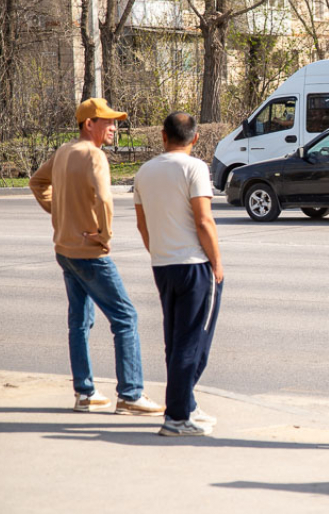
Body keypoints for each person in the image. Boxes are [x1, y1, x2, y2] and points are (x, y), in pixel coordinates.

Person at [29, 98, 165, 416]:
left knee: (79, 322)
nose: (114, 128)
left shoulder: (63, 151)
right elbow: (105, 198)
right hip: (89, 253)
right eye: (107, 121)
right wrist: (104, 236)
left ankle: (85, 393)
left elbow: (37, 182)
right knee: (126, 318)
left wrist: (58, 212)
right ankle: (130, 395)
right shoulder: (94, 155)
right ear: (89, 124)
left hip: (64, 249)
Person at [134, 112, 225, 437]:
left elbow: (142, 225)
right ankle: (176, 417)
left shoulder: (144, 171)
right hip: (193, 265)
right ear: (195, 138)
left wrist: (158, 253)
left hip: (163, 265)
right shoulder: (195, 168)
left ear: (162, 136)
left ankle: (186, 404)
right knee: (193, 340)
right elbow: (204, 220)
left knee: (175, 340)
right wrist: (216, 261)